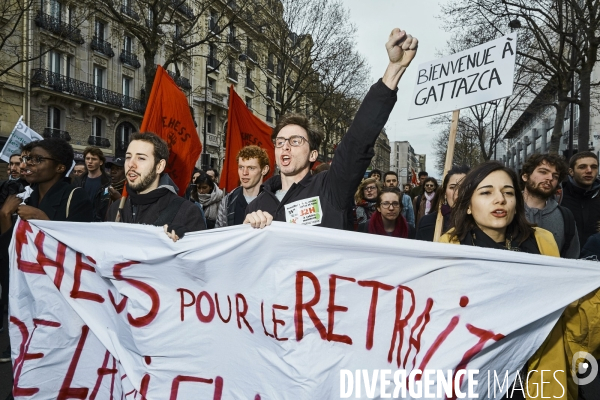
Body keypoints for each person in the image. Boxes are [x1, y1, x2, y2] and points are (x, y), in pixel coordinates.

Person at [245, 28, 418, 229]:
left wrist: (393, 69)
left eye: (295, 141)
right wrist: (247, 229)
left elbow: (358, 140)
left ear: (313, 155)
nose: (285, 147)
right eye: (280, 142)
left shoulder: (330, 188)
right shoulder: (256, 206)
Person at [0, 138, 94, 364]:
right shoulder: (25, 197)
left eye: (37, 159)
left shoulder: (76, 197)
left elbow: (81, 250)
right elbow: (10, 254)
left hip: (60, 295)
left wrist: (44, 219)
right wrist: (4, 216)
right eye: (27, 158)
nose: (28, 164)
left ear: (60, 167)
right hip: (28, 291)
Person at [440, 161, 558, 254]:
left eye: (508, 192)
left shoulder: (542, 239)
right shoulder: (450, 245)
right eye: (486, 192)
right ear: (468, 206)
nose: (501, 199)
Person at [106, 132, 206, 240]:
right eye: (128, 157)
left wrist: (184, 242)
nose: (131, 164)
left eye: (141, 158)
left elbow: (199, 254)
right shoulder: (116, 209)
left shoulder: (187, 212)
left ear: (159, 166)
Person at [521, 154, 579, 258]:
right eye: (543, 172)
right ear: (525, 176)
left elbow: (571, 259)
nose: (550, 178)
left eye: (555, 176)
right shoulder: (506, 209)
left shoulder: (565, 217)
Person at [216, 146, 270, 228]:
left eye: (251, 168)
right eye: (241, 167)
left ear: (264, 170)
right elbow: (220, 234)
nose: (244, 173)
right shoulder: (228, 201)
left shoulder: (273, 200)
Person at [415, 165, 469, 241]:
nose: (457, 192)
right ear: (444, 193)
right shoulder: (426, 222)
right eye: (452, 187)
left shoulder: (482, 223)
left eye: (464, 187)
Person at [561, 151, 600, 251]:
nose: (589, 170)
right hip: (563, 261)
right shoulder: (558, 197)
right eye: (582, 167)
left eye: (594, 167)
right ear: (571, 171)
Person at [75, 147, 111, 222]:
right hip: (80, 221)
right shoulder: (79, 181)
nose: (90, 161)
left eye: (94, 159)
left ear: (100, 162)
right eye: (87, 159)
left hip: (99, 223)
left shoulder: (108, 182)